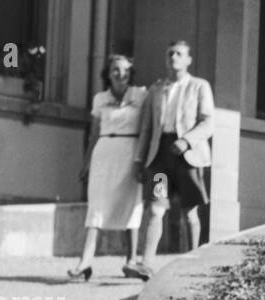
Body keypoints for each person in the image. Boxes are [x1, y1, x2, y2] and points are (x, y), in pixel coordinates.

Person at [130, 40, 215, 280]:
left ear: (188, 60)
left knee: (189, 211)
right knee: (157, 207)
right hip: (161, 157)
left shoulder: (199, 87)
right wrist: (139, 160)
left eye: (179, 54)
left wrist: (187, 141)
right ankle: (146, 263)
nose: (174, 57)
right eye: (170, 54)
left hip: (187, 157)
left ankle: (193, 264)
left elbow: (208, 122)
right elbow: (146, 128)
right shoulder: (156, 90)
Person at [67, 55, 147, 281]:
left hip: (129, 152)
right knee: (97, 206)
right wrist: (86, 162)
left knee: (132, 205)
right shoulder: (100, 98)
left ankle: (131, 262)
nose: (120, 74)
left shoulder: (140, 95)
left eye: (125, 70)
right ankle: (85, 262)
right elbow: (93, 133)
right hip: (104, 153)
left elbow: (147, 127)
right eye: (115, 70)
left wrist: (142, 160)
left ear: (131, 73)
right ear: (108, 73)